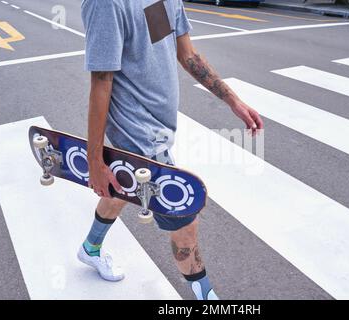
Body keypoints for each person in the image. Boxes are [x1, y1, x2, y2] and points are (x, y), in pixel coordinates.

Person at [78, 0, 264, 300]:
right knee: (185, 220)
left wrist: (233, 100)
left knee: (124, 187)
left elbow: (186, 54)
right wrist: (94, 160)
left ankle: (90, 248)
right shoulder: (107, 4)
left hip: (161, 128)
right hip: (140, 135)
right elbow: (101, 81)